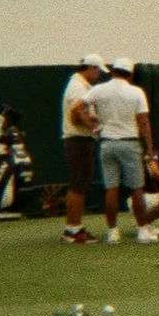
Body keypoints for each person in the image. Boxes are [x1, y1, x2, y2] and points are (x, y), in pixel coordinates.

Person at [89, 59, 158, 242]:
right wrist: (150, 148)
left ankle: (113, 231)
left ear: (113, 71)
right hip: (129, 143)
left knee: (111, 188)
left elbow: (80, 105)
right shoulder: (136, 92)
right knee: (136, 188)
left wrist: (92, 123)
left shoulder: (99, 90)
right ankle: (142, 229)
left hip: (107, 143)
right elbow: (143, 121)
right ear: (130, 74)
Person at [59, 54, 108, 244]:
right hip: (78, 140)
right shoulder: (78, 86)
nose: (99, 74)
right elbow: (78, 112)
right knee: (78, 183)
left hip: (80, 139)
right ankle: (73, 228)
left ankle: (73, 226)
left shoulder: (81, 85)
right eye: (98, 70)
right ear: (90, 68)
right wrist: (94, 126)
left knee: (79, 183)